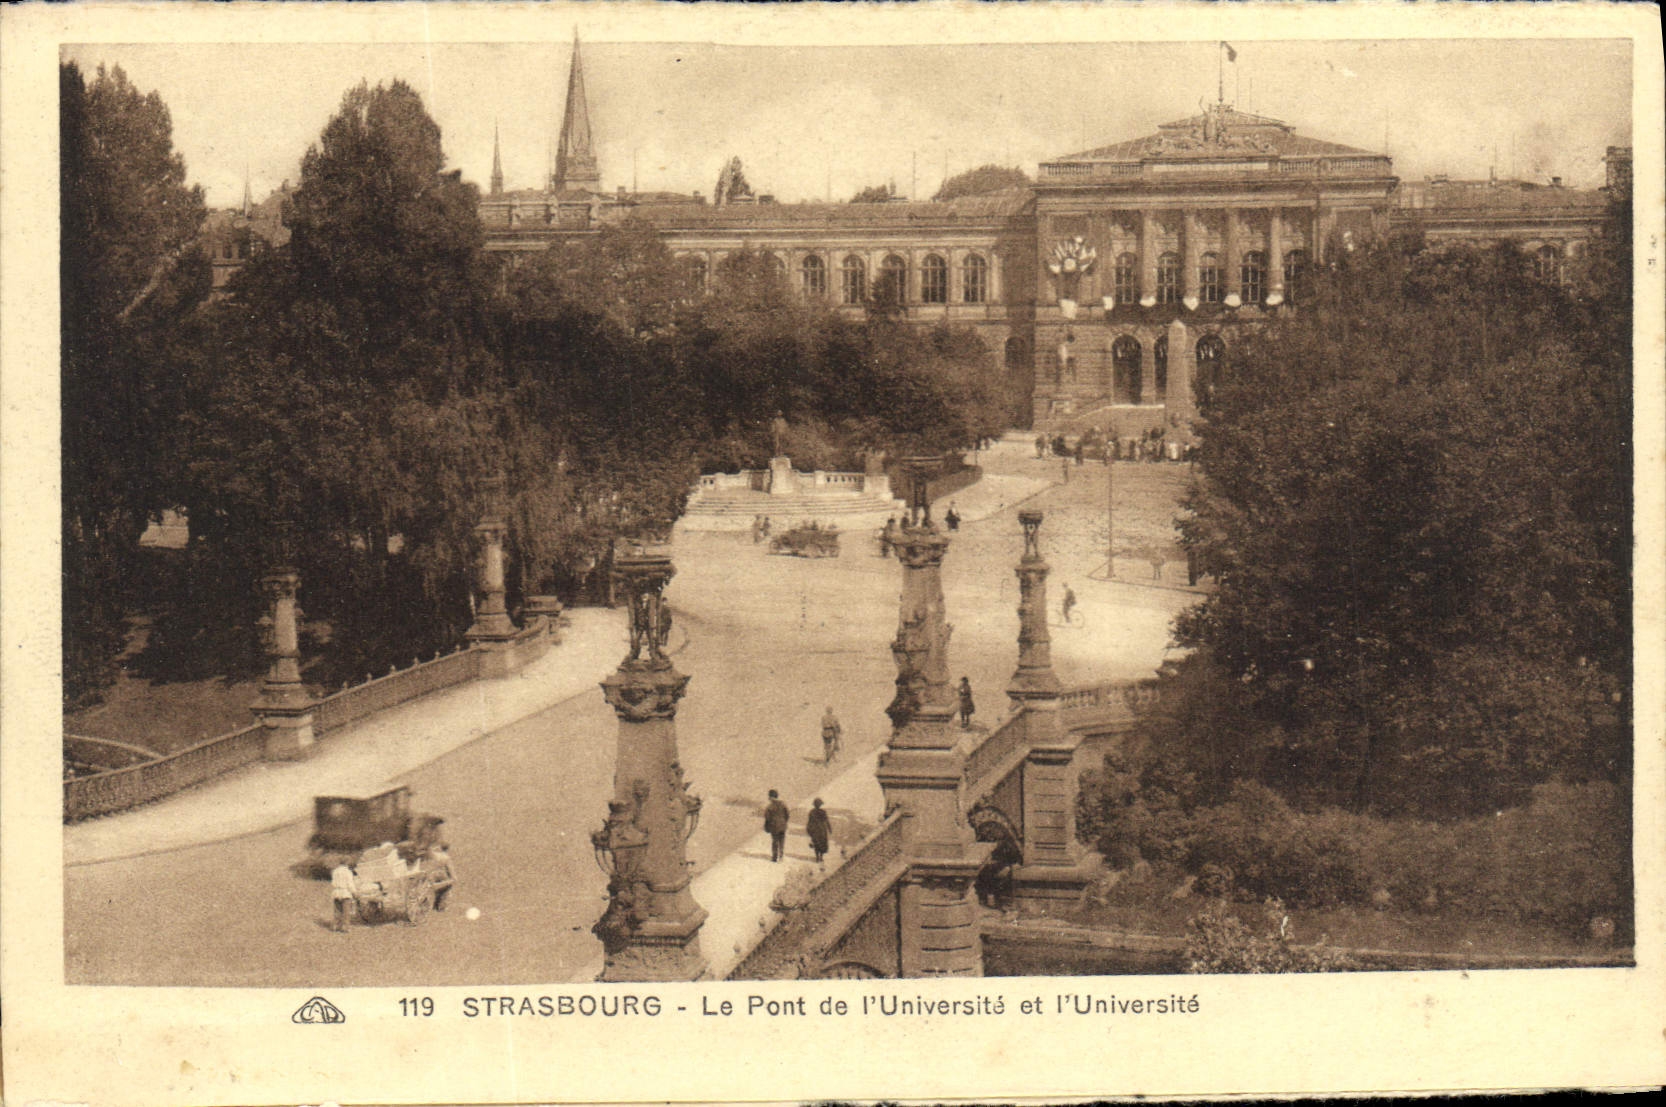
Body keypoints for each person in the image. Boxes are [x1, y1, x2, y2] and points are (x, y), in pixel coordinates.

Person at [330, 861, 358, 933]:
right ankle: (345, 928)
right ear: (346, 864)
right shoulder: (348, 872)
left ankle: (336, 926)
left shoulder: (335, 871)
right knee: (346, 912)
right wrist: (354, 892)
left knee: (337, 911)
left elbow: (333, 882)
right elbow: (350, 884)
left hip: (336, 892)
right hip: (345, 893)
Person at [763, 790, 790, 862]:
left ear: (771, 797)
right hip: (782, 825)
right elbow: (787, 814)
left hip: (774, 826)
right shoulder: (783, 804)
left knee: (775, 841)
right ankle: (781, 856)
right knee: (782, 841)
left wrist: (767, 826)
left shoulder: (769, 806)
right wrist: (784, 822)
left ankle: (775, 857)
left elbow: (767, 817)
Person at [429, 843, 455, 912]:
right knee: (448, 883)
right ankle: (441, 905)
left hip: (432, 875)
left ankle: (435, 903)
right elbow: (450, 869)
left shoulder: (434, 854)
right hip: (441, 875)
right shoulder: (446, 857)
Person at [806, 799, 832, 864]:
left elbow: (809, 822)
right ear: (820, 805)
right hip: (822, 829)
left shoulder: (811, 812)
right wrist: (829, 828)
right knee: (822, 843)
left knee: (816, 843)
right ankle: (821, 857)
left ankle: (817, 857)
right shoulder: (823, 812)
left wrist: (808, 829)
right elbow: (826, 821)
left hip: (815, 830)